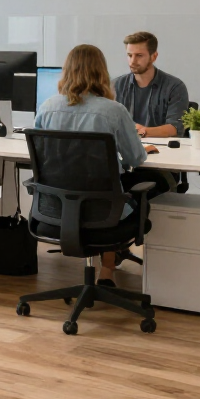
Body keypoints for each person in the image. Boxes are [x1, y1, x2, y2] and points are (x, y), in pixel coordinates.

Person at [34, 44, 159, 286]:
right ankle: (106, 270)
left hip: (55, 209)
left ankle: (107, 268)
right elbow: (135, 159)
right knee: (122, 187)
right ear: (102, 72)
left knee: (103, 188)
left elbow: (41, 156)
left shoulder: (47, 107)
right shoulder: (113, 111)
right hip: (104, 213)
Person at [114, 31, 190, 197]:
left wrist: (142, 131)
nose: (132, 61)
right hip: (127, 161)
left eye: (139, 55)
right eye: (129, 55)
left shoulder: (174, 87)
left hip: (160, 165)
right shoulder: (116, 85)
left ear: (154, 56)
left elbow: (175, 128)